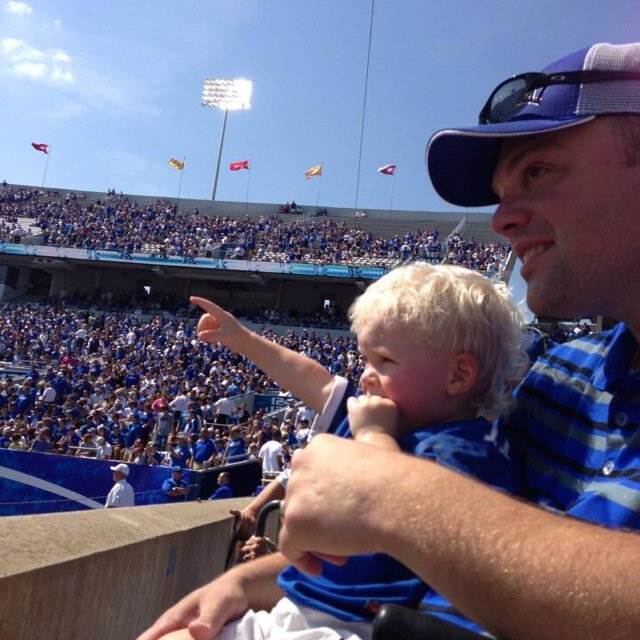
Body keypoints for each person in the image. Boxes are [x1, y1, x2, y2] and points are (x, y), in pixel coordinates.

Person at [138, 42, 640, 640]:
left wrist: (389, 494)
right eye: (503, 192)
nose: (502, 219)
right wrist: (248, 582)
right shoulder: (551, 378)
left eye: (538, 171)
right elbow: (455, 548)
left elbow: (427, 524)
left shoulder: (458, 425)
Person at [141, 261, 525, 640]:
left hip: (357, 626)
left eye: (384, 360)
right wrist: (242, 339)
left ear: (457, 375)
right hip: (292, 605)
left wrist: (374, 437)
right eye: (365, 358)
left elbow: (398, 504)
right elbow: (315, 380)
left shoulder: (468, 451)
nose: (365, 374)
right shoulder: (379, 409)